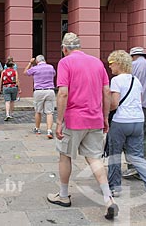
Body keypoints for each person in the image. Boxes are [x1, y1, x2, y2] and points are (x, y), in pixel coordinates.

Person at [47, 33, 118, 220]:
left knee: (65, 156)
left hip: (73, 119)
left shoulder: (65, 63)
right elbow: (106, 91)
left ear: (64, 48)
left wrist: (59, 121)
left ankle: (63, 195)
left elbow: (63, 93)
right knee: (95, 159)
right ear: (80, 46)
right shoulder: (97, 63)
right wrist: (105, 118)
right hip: (94, 118)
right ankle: (108, 198)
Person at [106, 50, 146, 206]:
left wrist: (105, 112)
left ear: (118, 63)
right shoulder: (136, 80)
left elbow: (114, 103)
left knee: (114, 155)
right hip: (137, 121)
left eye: (111, 64)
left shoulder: (116, 80)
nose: (110, 67)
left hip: (120, 122)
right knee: (137, 157)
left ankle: (114, 187)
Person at [123, 46, 146, 178]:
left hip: (135, 108)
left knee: (131, 138)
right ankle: (141, 168)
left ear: (132, 56)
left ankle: (132, 167)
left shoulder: (132, 66)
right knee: (145, 138)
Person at [24, 55, 56, 138]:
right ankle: (49, 131)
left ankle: (37, 128)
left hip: (39, 91)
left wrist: (30, 63)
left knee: (38, 111)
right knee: (49, 112)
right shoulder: (50, 67)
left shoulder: (35, 68)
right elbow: (54, 74)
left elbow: (25, 72)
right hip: (50, 90)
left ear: (37, 61)